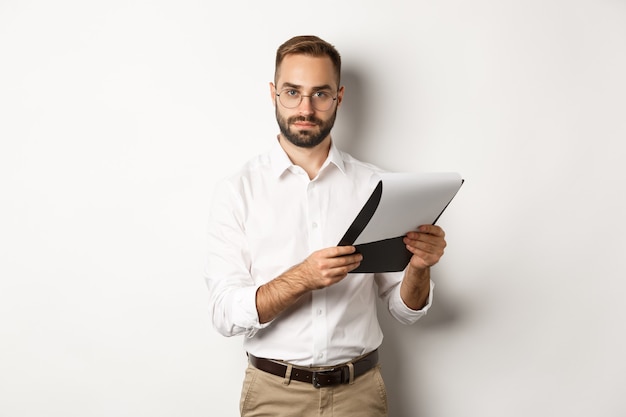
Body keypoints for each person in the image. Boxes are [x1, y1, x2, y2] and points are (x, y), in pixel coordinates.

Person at [204, 35, 447, 417]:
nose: (305, 107)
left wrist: (419, 267)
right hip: (274, 395)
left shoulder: (375, 187)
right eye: (292, 92)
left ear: (339, 97)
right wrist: (302, 277)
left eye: (320, 94)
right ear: (273, 93)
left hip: (359, 395)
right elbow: (224, 313)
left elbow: (406, 310)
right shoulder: (238, 191)